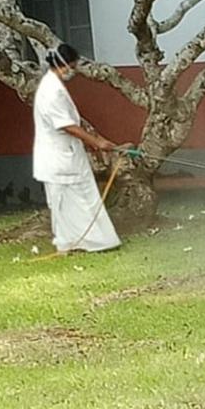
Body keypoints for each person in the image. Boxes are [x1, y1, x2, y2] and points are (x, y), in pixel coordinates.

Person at [33, 43, 121, 253]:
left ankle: (95, 241)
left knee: (83, 198)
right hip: (58, 157)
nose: (73, 71)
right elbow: (66, 125)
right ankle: (75, 243)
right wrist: (96, 142)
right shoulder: (51, 91)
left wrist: (93, 141)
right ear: (63, 65)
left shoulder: (54, 85)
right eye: (72, 66)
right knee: (70, 202)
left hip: (69, 154)